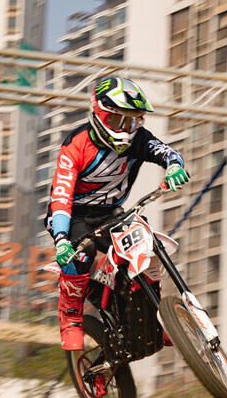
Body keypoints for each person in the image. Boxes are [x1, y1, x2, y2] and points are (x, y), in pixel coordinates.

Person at [46, 76, 190, 350]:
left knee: (146, 244)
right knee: (80, 255)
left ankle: (159, 316)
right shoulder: (74, 145)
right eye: (118, 121)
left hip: (112, 214)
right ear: (98, 114)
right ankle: (71, 316)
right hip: (73, 216)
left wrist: (174, 166)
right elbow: (61, 195)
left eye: (133, 122)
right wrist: (62, 238)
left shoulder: (139, 139)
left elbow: (166, 152)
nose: (126, 130)